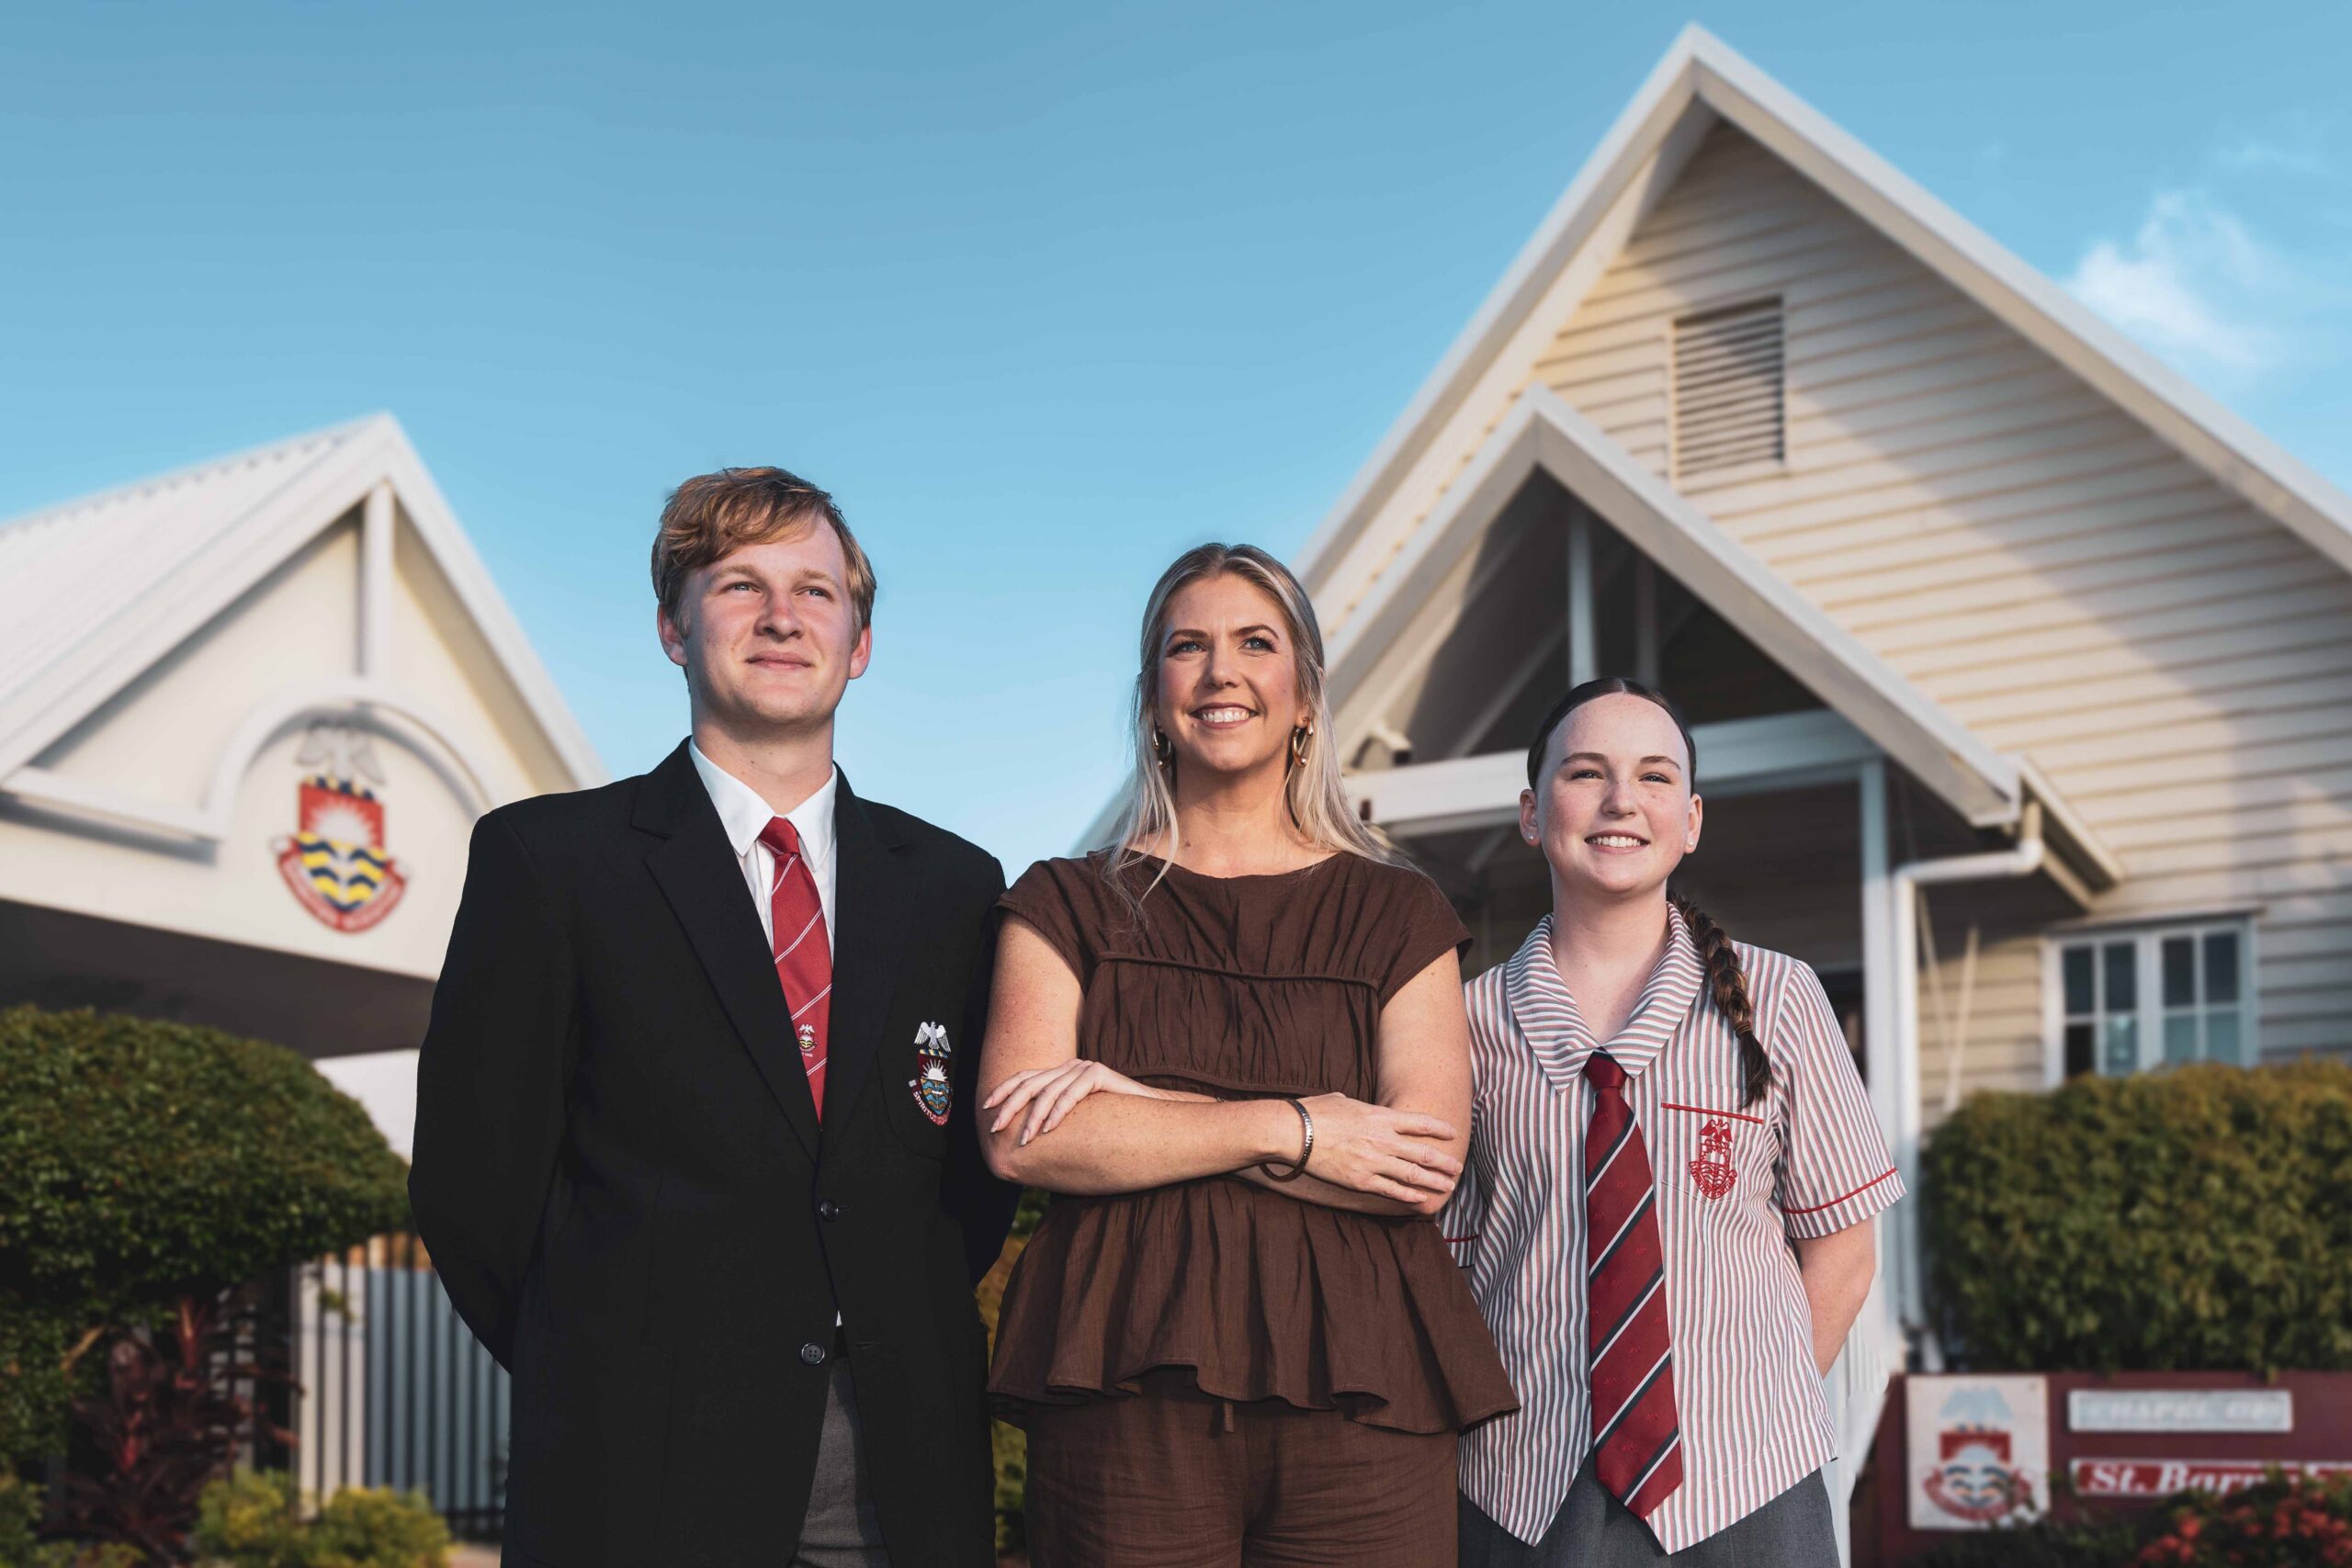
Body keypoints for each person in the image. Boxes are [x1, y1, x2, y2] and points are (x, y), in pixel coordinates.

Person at [409, 468, 1018, 1568]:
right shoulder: (549, 862)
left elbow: (969, 1190)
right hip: (638, 1463)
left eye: (815, 591)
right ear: (672, 629)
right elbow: (473, 1191)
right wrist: (599, 1362)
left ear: (859, 644)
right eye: (740, 585)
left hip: (901, 1465)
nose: (783, 616)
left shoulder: (956, 888)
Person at [977, 543, 1517, 1568]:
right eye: (1188, 646)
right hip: (1123, 1385)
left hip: (1366, 1388)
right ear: (1153, 698)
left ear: (1304, 695)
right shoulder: (1063, 903)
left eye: (1255, 643)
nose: (1220, 671)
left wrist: (1136, 1104)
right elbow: (1025, 1137)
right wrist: (1299, 1126)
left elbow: (1419, 1164)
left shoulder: (1398, 912)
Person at [1444, 677, 1898, 1567]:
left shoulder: (1780, 999)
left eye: (1654, 776)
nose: (1621, 800)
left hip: (1748, 1486)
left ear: (1690, 821)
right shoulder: (1464, 1024)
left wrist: (1745, 1415)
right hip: (1523, 1489)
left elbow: (1843, 1252)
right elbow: (1447, 1271)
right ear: (1532, 813)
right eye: (1586, 772)